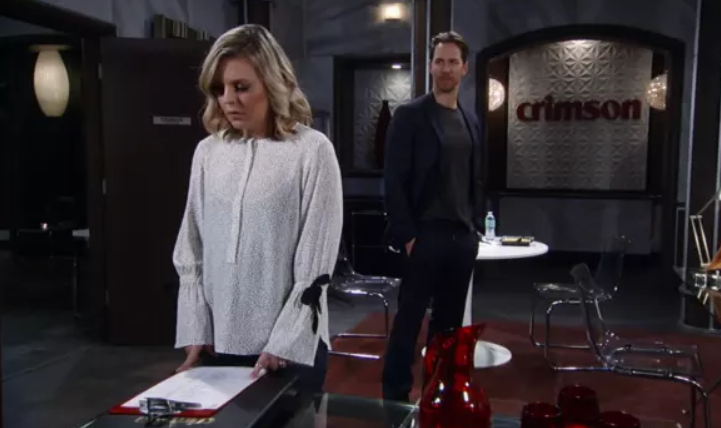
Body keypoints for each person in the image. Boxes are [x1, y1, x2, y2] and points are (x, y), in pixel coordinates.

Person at [172, 24, 343, 396]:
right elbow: (192, 247)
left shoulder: (311, 151)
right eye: (219, 89)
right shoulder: (208, 153)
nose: (228, 100)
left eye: (241, 86)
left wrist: (284, 342)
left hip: (289, 349)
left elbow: (315, 267)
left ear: (273, 83)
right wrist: (195, 327)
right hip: (217, 346)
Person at [381, 31, 483, 402]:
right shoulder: (410, 116)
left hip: (461, 237)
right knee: (408, 321)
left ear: (464, 68)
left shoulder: (471, 120)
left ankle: (439, 394)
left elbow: (475, 177)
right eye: (439, 61)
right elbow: (394, 180)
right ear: (430, 66)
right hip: (424, 236)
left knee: (448, 327)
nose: (445, 68)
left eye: (452, 62)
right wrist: (408, 236)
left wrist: (475, 227)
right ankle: (395, 397)